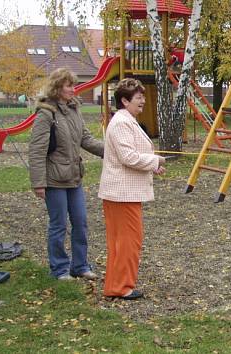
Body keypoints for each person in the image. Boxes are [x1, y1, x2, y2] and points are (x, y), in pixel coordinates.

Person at [29, 68, 104, 280]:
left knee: (80, 222)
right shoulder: (46, 113)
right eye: (68, 85)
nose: (73, 89)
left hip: (74, 177)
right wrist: (38, 183)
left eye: (73, 84)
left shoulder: (74, 110)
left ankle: (80, 266)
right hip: (54, 180)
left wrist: (113, 152)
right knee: (58, 225)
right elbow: (37, 150)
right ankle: (60, 269)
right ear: (57, 88)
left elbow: (86, 139)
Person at [98, 78, 166, 300]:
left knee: (124, 240)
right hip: (121, 194)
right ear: (125, 101)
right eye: (138, 98)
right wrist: (155, 161)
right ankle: (121, 287)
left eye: (143, 97)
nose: (143, 101)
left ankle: (116, 285)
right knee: (128, 241)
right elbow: (128, 157)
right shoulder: (121, 123)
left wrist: (152, 165)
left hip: (123, 193)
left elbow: (132, 154)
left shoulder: (127, 121)